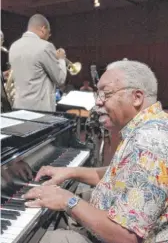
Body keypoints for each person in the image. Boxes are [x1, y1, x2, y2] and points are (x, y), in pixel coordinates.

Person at [23, 60, 168, 243]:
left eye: (106, 94)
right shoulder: (151, 125)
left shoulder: (148, 144)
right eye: (98, 94)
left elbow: (126, 238)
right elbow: (121, 174)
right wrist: (70, 172)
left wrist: (68, 200)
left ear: (137, 97)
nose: (98, 102)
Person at [9, 14, 67, 112]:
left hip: (18, 107)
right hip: (39, 111)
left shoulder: (14, 46)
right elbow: (60, 79)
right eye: (48, 34)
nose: (48, 38)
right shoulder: (46, 46)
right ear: (43, 29)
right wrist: (61, 59)